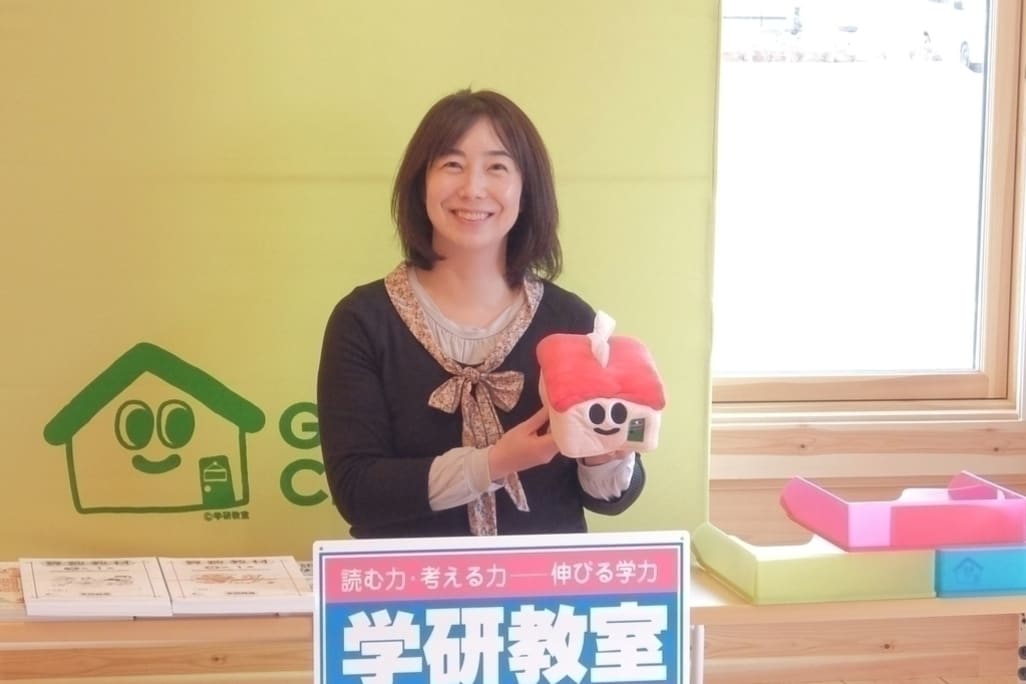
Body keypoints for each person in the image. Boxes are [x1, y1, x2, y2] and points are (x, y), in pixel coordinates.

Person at [317, 88, 645, 539]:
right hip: (409, 581)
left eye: (497, 167)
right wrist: (494, 463)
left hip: (542, 582)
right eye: (452, 164)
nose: (472, 188)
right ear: (420, 183)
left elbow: (611, 500)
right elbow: (357, 491)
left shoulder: (570, 320)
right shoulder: (363, 321)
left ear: (526, 191)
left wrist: (604, 455)